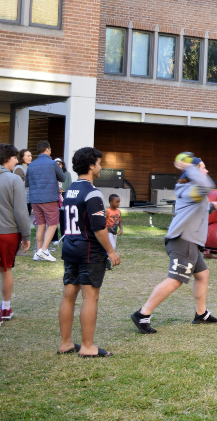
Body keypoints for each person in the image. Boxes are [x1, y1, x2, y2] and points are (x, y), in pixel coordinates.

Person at [131, 155, 217, 334]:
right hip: (184, 241)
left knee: (202, 274)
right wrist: (189, 167)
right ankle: (142, 314)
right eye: (203, 168)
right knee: (175, 280)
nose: (207, 171)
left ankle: (201, 313)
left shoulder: (192, 189)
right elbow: (204, 188)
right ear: (194, 171)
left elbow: (196, 206)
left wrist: (212, 206)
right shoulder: (186, 187)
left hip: (190, 242)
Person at [58, 147, 121, 357]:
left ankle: (66, 343)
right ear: (91, 165)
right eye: (99, 163)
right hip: (89, 251)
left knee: (68, 296)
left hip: (70, 248)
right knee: (89, 298)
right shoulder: (92, 192)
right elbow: (99, 228)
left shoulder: (69, 191)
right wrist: (111, 252)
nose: (101, 166)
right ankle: (87, 347)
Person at [0, 144, 31, 323]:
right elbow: (21, 211)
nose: (17, 161)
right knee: (6, 270)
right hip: (8, 232)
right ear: (7, 159)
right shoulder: (14, 180)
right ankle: (5, 307)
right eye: (14, 158)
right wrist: (26, 236)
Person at [25, 140, 65, 262]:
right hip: (49, 198)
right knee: (53, 224)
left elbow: (27, 183)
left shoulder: (31, 165)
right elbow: (62, 177)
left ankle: (38, 251)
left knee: (40, 225)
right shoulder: (53, 163)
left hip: (35, 199)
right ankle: (43, 250)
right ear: (47, 149)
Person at [53, 158, 72, 248]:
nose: (59, 166)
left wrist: (64, 191)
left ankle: (64, 238)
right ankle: (55, 238)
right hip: (54, 198)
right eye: (56, 164)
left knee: (63, 219)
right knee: (54, 220)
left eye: (60, 164)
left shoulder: (67, 174)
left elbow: (69, 185)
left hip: (64, 197)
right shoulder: (52, 174)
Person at [13, 148, 32, 215]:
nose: (30, 158)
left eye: (31, 156)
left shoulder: (29, 167)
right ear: (22, 158)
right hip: (22, 200)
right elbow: (17, 185)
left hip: (28, 199)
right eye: (28, 156)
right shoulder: (19, 168)